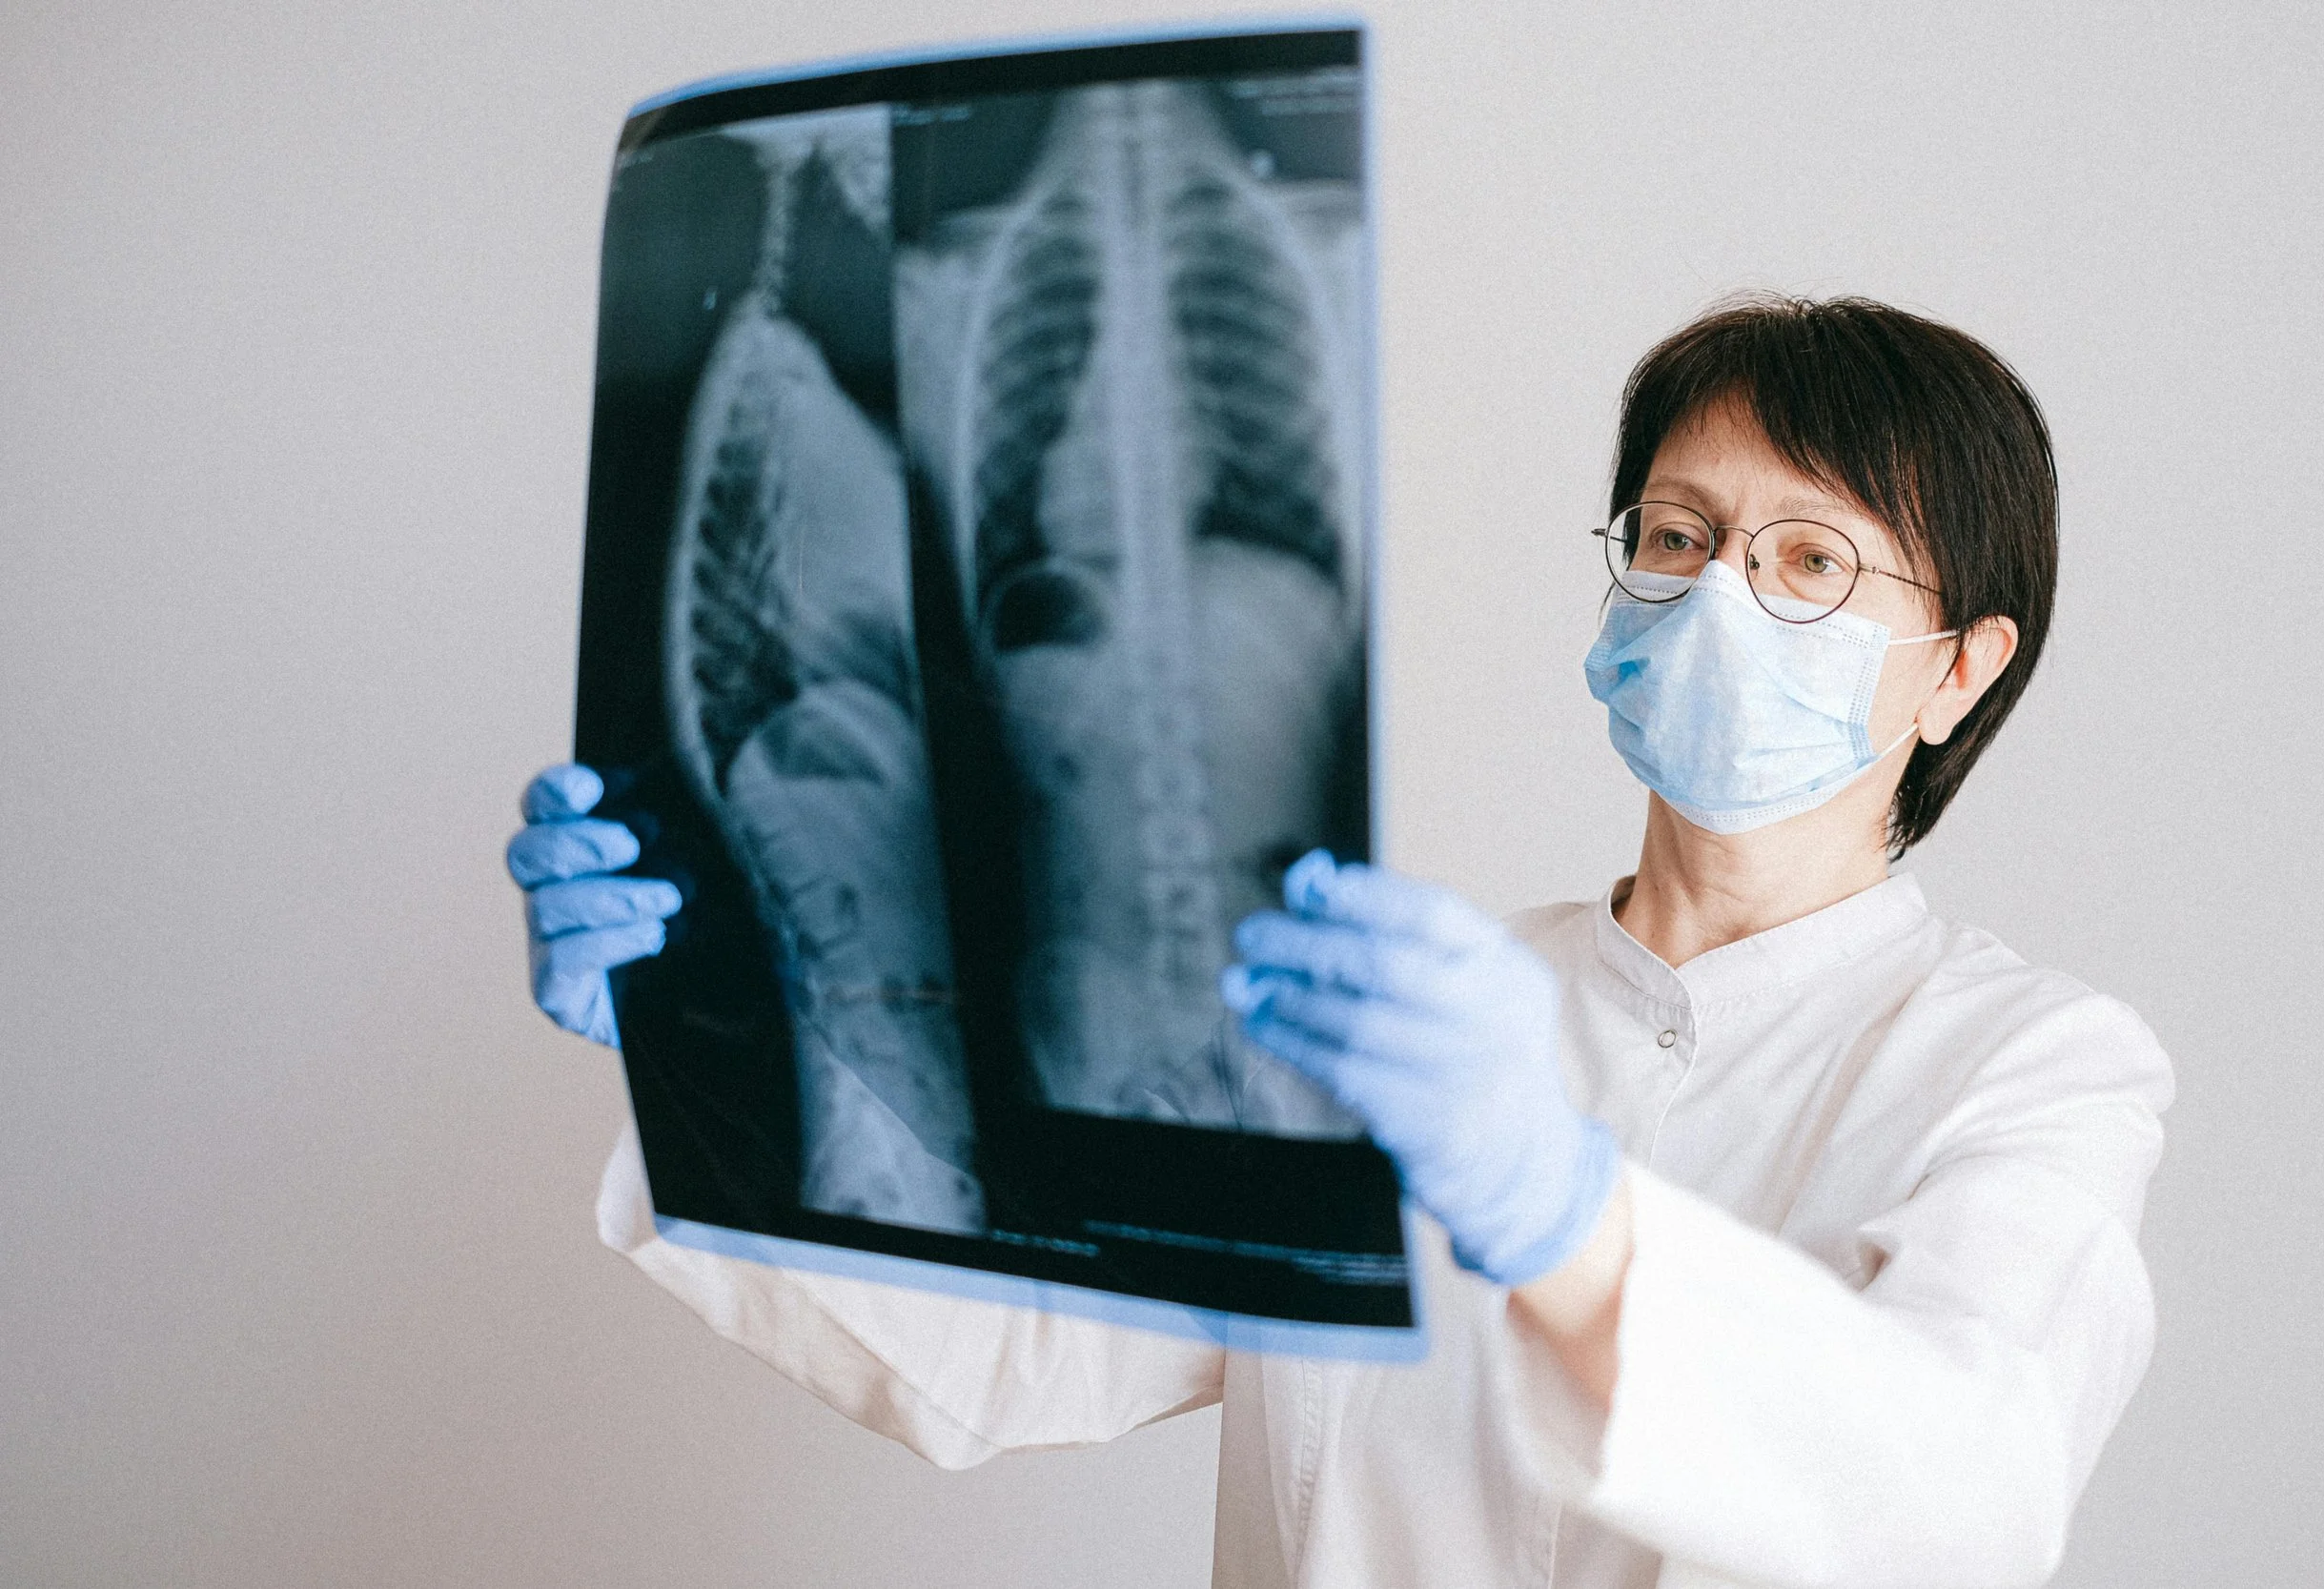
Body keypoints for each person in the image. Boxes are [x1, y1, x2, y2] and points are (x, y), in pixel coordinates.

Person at [506, 295, 2171, 1588]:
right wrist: (708, 1034)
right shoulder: (1395, 1010)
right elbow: (1007, 1349)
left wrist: (1560, 1213)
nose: (1719, 592)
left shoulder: (2033, 1068)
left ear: (1961, 667)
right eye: (1677, 535)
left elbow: (1963, 1492)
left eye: (1809, 559)